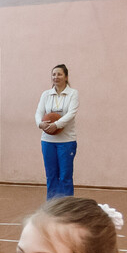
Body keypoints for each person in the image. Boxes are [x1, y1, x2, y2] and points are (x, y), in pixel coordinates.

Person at [35, 65, 80, 200]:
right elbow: (39, 112)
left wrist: (56, 125)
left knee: (65, 176)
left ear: (66, 77)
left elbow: (71, 113)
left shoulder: (73, 93)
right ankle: (52, 208)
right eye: (54, 74)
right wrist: (40, 124)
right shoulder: (46, 94)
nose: (56, 77)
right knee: (51, 175)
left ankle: (66, 209)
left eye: (59, 74)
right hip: (48, 141)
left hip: (67, 141)